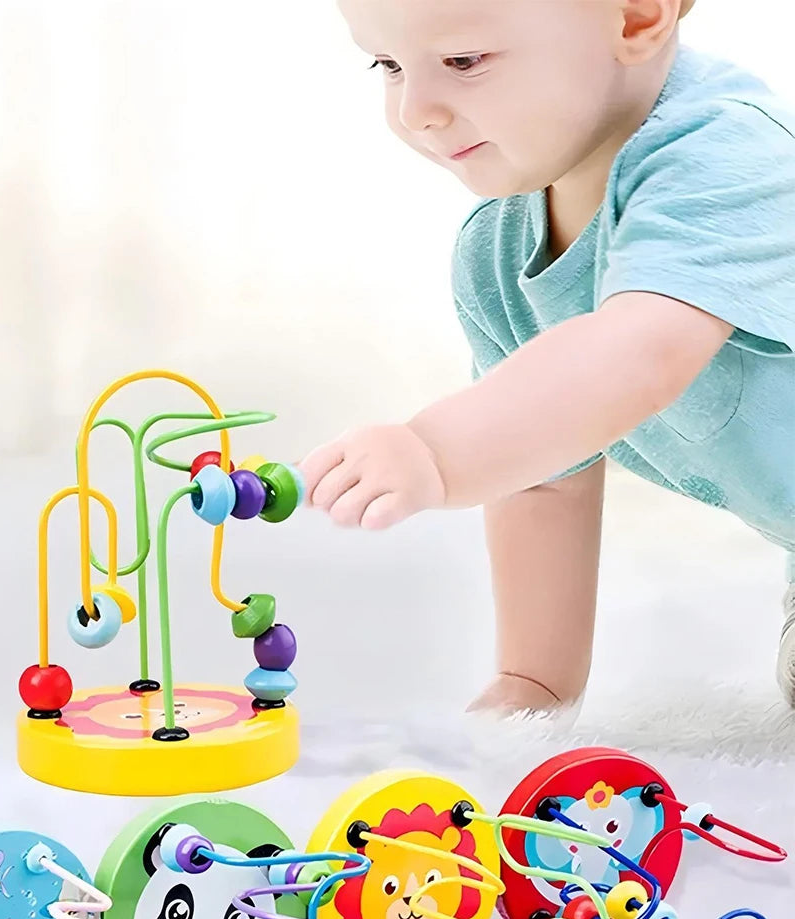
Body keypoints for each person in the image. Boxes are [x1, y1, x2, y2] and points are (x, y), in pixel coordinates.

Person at [301, 0, 795, 714]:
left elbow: (641, 353)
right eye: (389, 65)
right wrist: (535, 681)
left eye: (463, 61)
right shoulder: (497, 256)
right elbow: (541, 476)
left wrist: (436, 452)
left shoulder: (728, 156)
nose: (416, 112)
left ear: (634, 17)